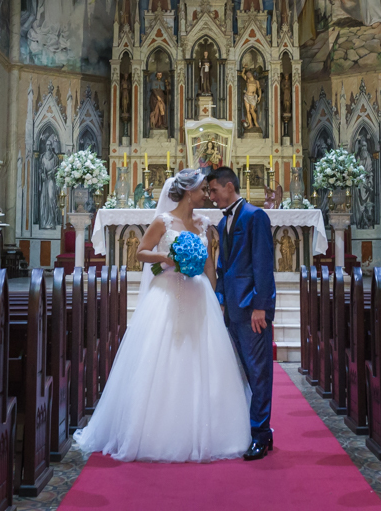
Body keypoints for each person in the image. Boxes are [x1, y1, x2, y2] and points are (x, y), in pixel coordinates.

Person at [74, 169, 251, 462]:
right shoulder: (163, 221)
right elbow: (141, 252)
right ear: (188, 192)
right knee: (163, 354)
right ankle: (156, 431)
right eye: (202, 190)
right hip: (166, 294)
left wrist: (215, 297)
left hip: (198, 294)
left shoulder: (203, 223)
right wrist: (166, 258)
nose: (206, 195)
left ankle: (210, 431)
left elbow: (209, 264)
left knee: (203, 357)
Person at [208, 166, 276, 461]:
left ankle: (260, 434)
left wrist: (262, 306)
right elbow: (223, 265)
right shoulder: (224, 221)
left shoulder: (255, 216)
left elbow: (263, 263)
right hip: (233, 309)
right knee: (244, 373)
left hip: (252, 308)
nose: (211, 197)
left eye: (214, 190)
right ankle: (255, 430)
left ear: (229, 186)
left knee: (259, 373)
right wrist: (221, 299)